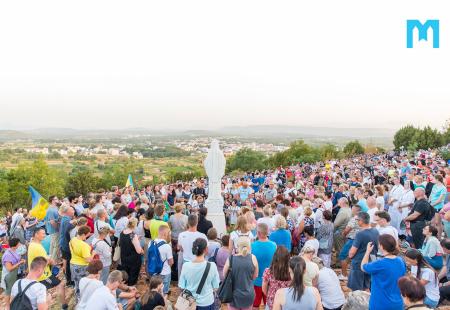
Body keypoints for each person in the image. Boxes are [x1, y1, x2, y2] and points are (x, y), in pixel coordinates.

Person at [361, 234, 406, 310]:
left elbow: (363, 267)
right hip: (397, 303)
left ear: (381, 246)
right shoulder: (401, 261)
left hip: (380, 304)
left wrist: (367, 252)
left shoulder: (380, 263)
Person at [27, 227, 67, 309]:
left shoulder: (32, 244)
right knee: (60, 285)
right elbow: (45, 261)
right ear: (36, 234)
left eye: (45, 233)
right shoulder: (38, 247)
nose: (44, 235)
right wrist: (52, 261)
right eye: (42, 233)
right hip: (43, 275)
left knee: (43, 294)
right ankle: (64, 306)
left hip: (37, 274)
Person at [178, 238, 220, 310]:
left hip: (189, 303)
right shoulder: (212, 266)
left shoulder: (186, 266)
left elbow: (181, 286)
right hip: (207, 302)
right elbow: (216, 287)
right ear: (206, 249)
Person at [223, 236, 258, 310]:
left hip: (233, 295)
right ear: (249, 246)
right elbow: (255, 276)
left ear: (237, 246)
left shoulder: (231, 259)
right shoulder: (253, 258)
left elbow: (224, 275)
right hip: (248, 294)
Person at [347, 211, 379, 291]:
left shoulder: (360, 234)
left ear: (361, 221)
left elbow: (352, 253)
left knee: (356, 289)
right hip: (372, 261)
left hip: (359, 263)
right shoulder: (375, 231)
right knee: (367, 285)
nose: (356, 221)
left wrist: (349, 255)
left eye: (357, 220)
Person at [252, 223, 277, 309]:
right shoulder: (274, 245)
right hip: (270, 280)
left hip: (257, 281)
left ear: (258, 233)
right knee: (269, 305)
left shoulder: (252, 246)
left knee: (255, 304)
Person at [69, 225, 96, 301]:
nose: (87, 237)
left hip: (73, 264)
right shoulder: (83, 245)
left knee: (77, 283)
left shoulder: (73, 240)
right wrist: (93, 253)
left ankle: (78, 299)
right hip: (82, 267)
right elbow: (88, 260)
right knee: (84, 285)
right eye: (87, 235)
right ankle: (83, 301)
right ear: (83, 234)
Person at [262, 246, 291, 310]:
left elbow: (264, 289)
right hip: (286, 302)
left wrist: (270, 294)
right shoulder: (291, 272)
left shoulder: (268, 271)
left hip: (272, 302)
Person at [1, 238, 25, 310]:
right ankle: (7, 307)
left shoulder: (14, 250)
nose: (20, 244)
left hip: (14, 274)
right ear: (15, 245)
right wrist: (19, 263)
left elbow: (16, 259)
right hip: (9, 275)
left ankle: (14, 304)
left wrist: (21, 260)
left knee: (14, 289)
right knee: (8, 291)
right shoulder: (7, 255)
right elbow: (9, 268)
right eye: (19, 243)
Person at [149, 224, 173, 295]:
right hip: (165, 272)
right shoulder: (167, 246)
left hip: (154, 271)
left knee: (154, 292)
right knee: (164, 293)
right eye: (169, 233)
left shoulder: (151, 243)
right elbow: (171, 262)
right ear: (165, 234)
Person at [120, 217, 144, 286]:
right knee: (133, 274)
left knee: (125, 273)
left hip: (124, 256)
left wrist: (136, 239)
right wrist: (142, 250)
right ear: (135, 225)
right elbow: (138, 251)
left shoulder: (122, 232)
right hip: (133, 259)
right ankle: (131, 286)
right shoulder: (133, 235)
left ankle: (125, 285)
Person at [430, 174, 447, 238]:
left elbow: (440, 200)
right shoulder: (434, 185)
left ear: (437, 179)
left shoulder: (443, 188)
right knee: (432, 222)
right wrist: (429, 202)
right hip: (432, 205)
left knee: (438, 223)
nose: (432, 180)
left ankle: (439, 237)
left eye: (434, 179)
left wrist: (432, 205)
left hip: (438, 206)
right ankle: (433, 235)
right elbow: (431, 195)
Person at [44, 195, 61, 261]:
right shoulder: (51, 209)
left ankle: (51, 259)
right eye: (56, 199)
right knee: (56, 246)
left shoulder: (55, 208)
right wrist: (58, 229)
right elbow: (52, 222)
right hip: (54, 230)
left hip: (53, 230)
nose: (58, 200)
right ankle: (54, 261)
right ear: (52, 200)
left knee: (53, 245)